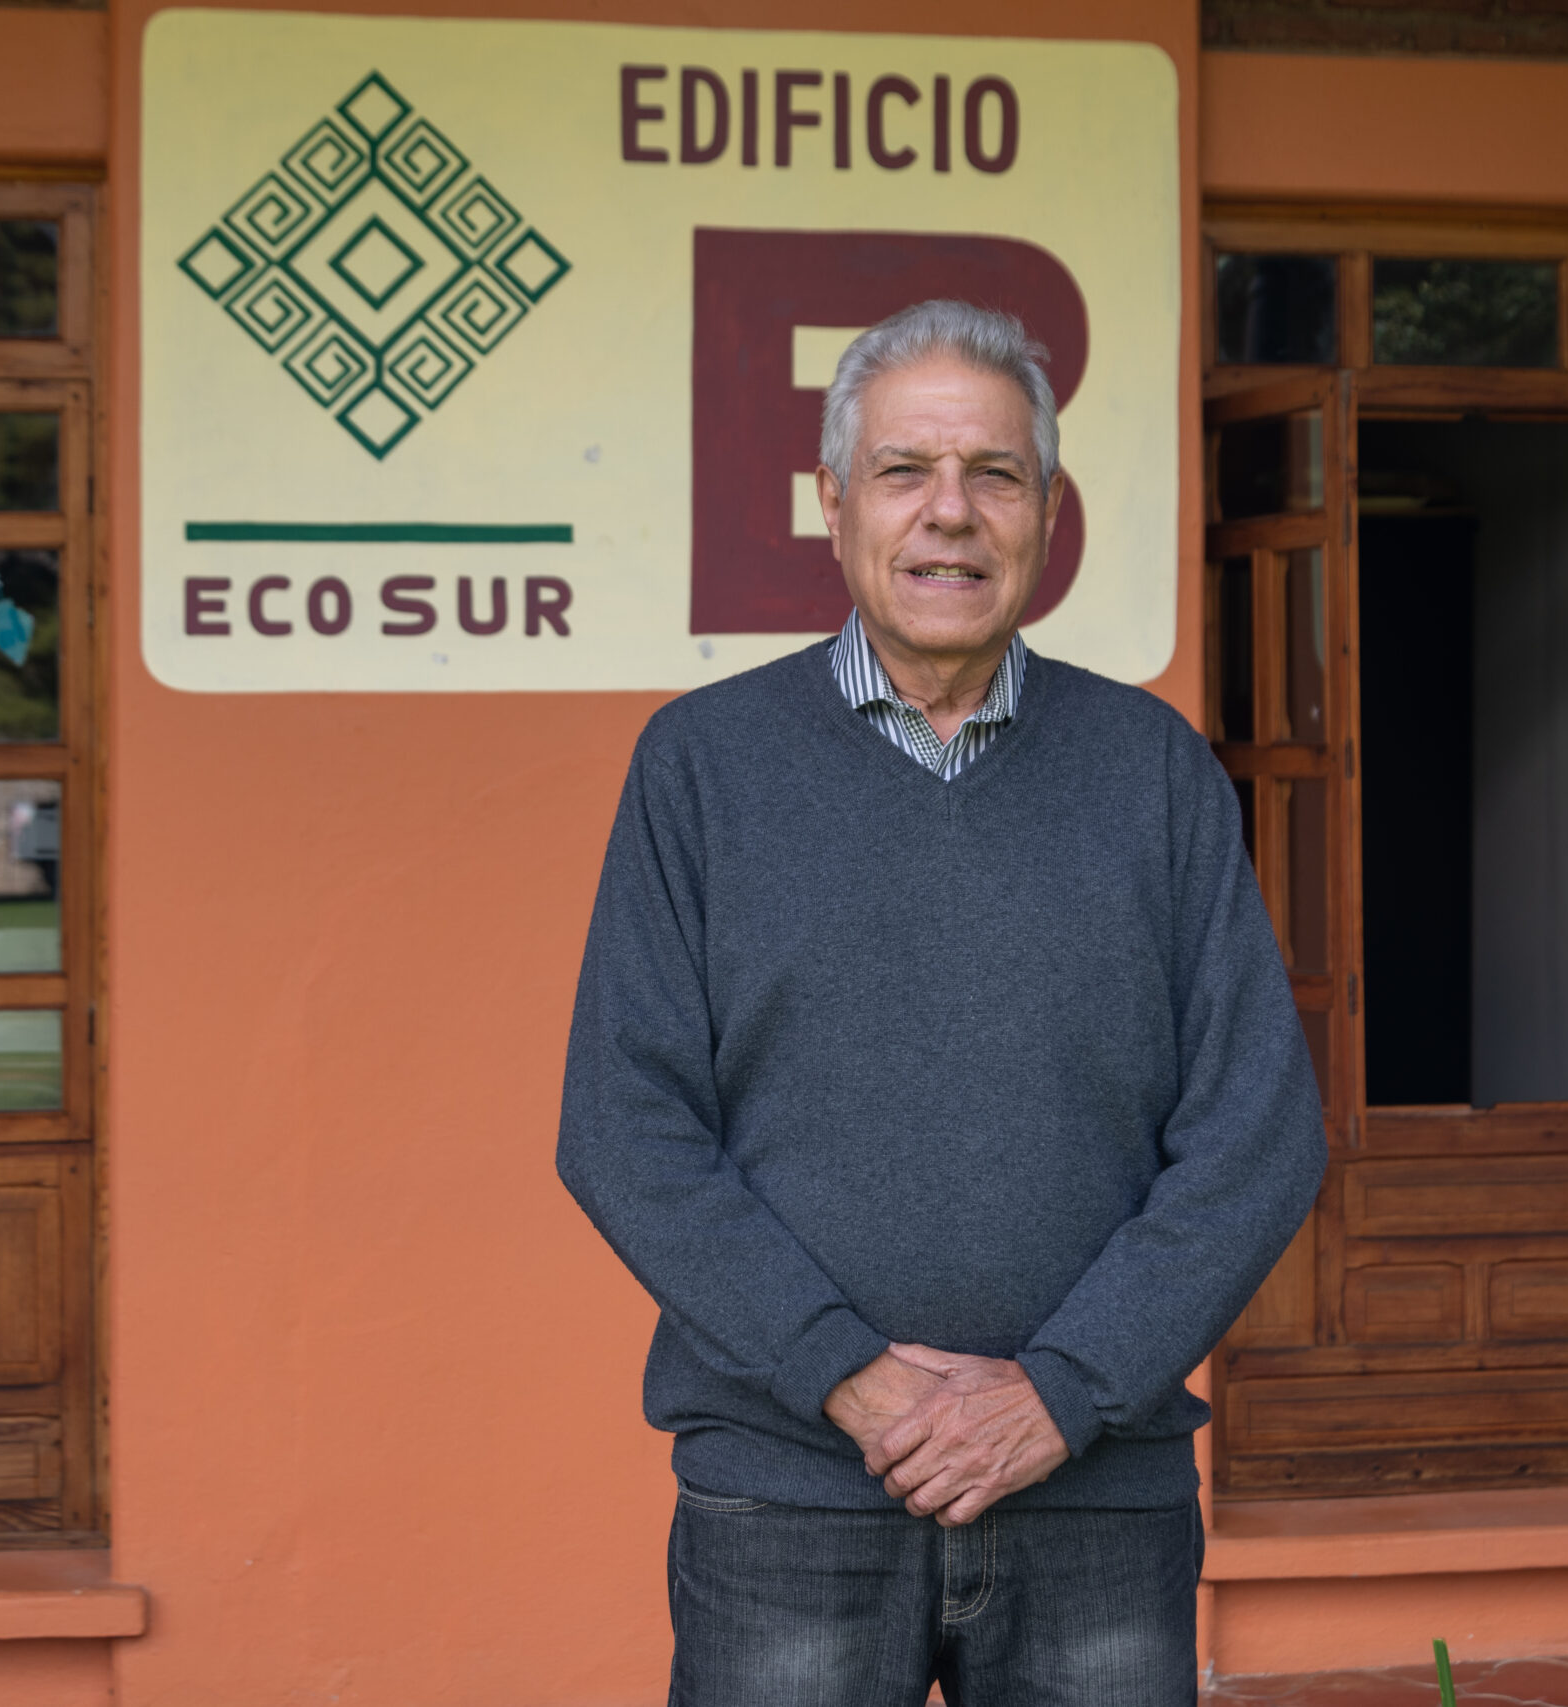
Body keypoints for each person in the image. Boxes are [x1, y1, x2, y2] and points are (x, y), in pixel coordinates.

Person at [555, 299, 1327, 1706]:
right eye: (907, 472)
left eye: (995, 474)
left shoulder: (1154, 773)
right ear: (836, 504)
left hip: (1097, 1503)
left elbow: (1257, 1137)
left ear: (1049, 510)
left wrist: (1060, 1395)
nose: (950, 516)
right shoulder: (701, 771)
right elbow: (623, 1126)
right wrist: (851, 1377)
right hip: (789, 1503)